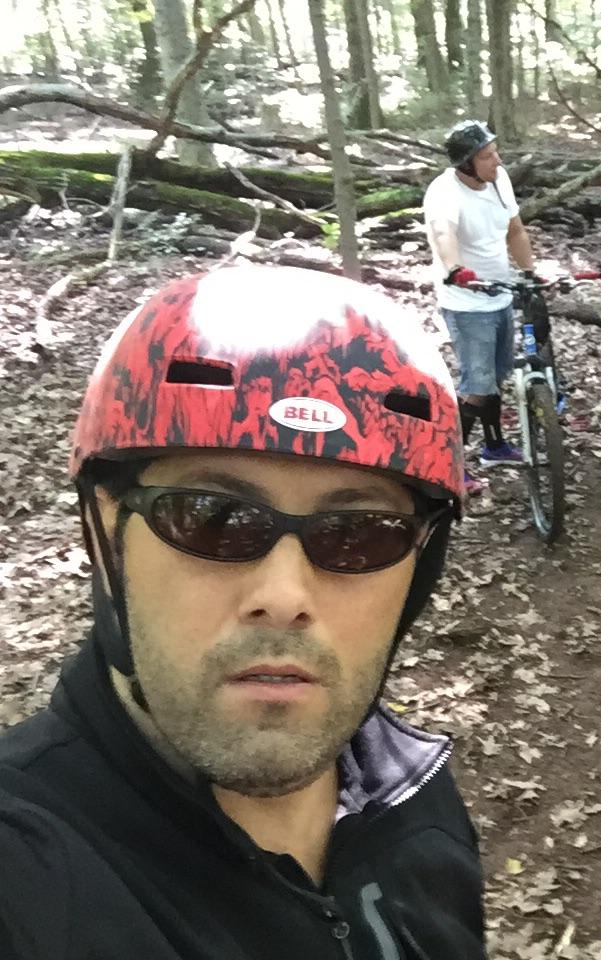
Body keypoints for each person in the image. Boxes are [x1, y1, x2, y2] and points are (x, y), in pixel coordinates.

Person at [0, 266, 486, 959]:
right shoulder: (28, 874)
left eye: (359, 533)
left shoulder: (414, 798)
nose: (284, 596)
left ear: (420, 565)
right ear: (106, 533)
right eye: (213, 519)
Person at [424, 119, 537, 497]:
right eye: (488, 156)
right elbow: (444, 233)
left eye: (495, 152)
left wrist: (530, 272)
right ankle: (448, 468)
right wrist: (455, 269)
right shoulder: (444, 193)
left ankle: (494, 447)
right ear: (466, 164)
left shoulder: (498, 180)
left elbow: (515, 230)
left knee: (496, 375)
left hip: (500, 293)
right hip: (467, 302)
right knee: (477, 385)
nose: (498, 161)